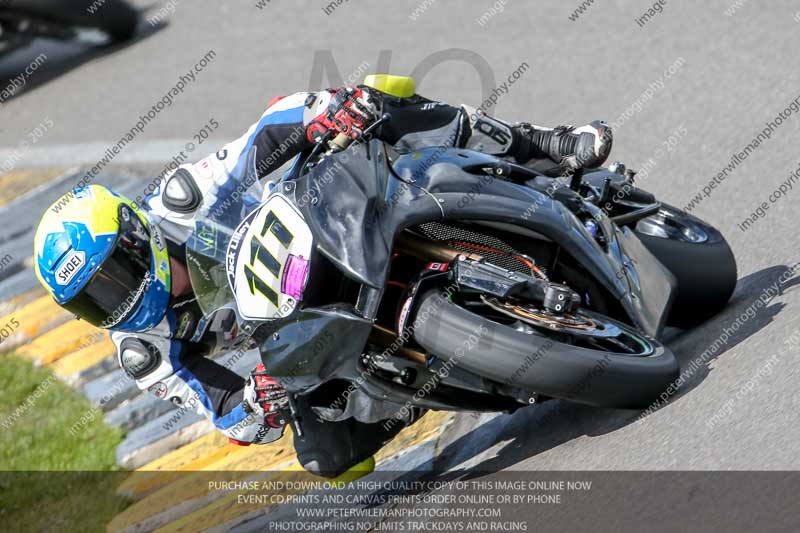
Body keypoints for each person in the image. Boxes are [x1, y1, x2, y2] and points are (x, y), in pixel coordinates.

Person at [33, 78, 612, 477]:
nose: (116, 300)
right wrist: (256, 402)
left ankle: (541, 145)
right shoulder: (144, 350)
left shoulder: (183, 202)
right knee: (330, 460)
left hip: (321, 221)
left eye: (112, 276)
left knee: (380, 105)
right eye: (92, 300)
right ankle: (421, 388)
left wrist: (324, 113)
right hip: (296, 327)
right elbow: (223, 411)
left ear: (136, 236)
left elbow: (268, 129)